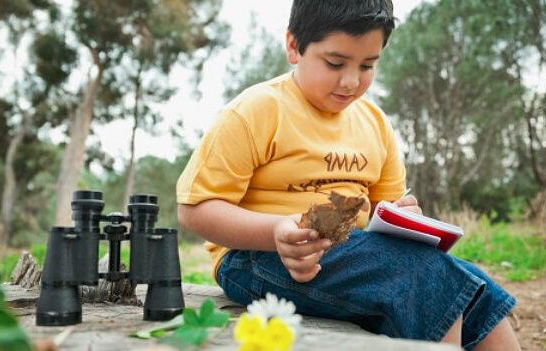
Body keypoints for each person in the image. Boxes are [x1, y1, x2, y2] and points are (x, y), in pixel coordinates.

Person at [176, 0, 521, 349]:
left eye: (368, 65)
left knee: (475, 288)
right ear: (294, 47)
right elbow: (195, 209)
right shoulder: (257, 111)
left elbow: (383, 209)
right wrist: (276, 231)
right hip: (257, 257)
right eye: (335, 63)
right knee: (427, 277)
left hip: (351, 253)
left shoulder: (374, 124)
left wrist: (403, 216)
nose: (352, 81)